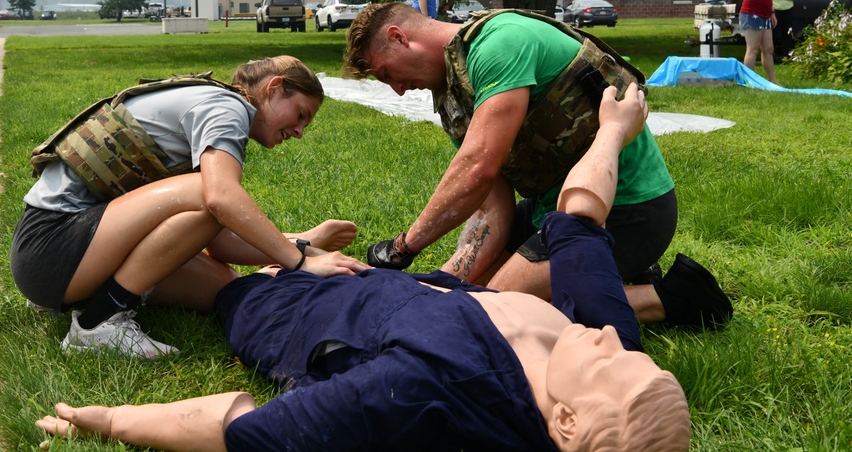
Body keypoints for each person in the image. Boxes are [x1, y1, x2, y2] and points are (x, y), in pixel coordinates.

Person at [35, 84, 694, 452]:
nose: (614, 339)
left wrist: (113, 418)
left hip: (290, 313)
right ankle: (280, 250)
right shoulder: (601, 335)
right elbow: (579, 217)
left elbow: (249, 429)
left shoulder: (429, 386)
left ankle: (102, 295)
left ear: (568, 423)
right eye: (629, 352)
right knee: (216, 236)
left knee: (225, 274)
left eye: (609, 362)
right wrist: (614, 128)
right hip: (392, 287)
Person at [343, 2, 732, 330]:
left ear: (398, 37)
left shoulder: (500, 43)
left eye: (386, 74)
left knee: (501, 315)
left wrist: (403, 247)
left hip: (628, 209)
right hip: (556, 209)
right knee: (466, 298)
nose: (396, 89)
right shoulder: (455, 89)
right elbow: (490, 205)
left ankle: (673, 298)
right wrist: (441, 283)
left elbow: (478, 165)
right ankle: (615, 275)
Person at [10, 56, 367, 358]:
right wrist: (302, 263)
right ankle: (98, 323)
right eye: (301, 114)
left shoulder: (216, 102)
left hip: (59, 261)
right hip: (48, 249)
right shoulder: (227, 108)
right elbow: (218, 200)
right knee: (207, 190)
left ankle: (85, 301)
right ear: (274, 89)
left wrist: (300, 242)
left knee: (227, 287)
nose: (301, 131)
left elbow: (219, 241)